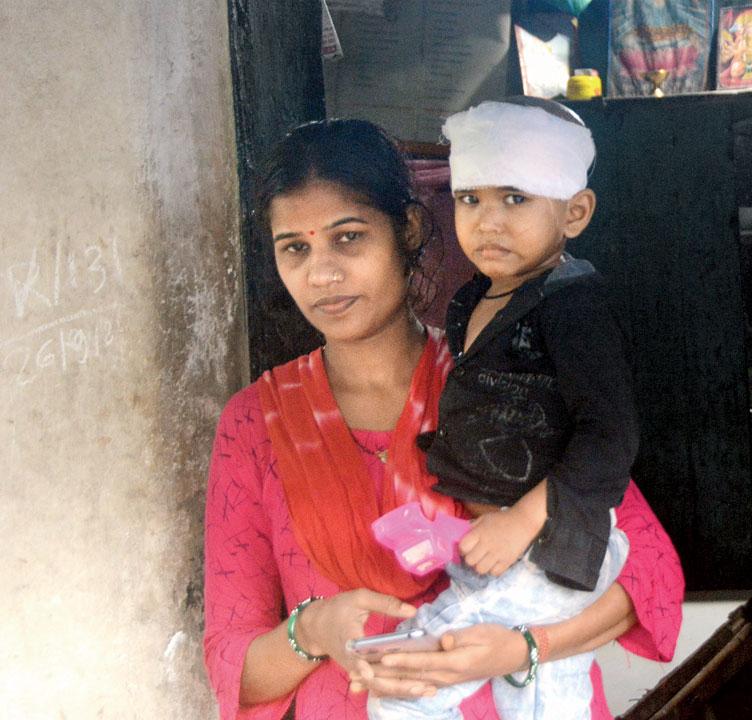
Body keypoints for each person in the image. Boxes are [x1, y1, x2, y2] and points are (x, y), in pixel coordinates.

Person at [202, 118, 685, 720]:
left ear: (406, 229)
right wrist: (314, 630)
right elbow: (234, 665)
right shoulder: (254, 424)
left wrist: (519, 648)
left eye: (348, 238)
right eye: (294, 248)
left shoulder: (500, 375)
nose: (321, 273)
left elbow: (647, 574)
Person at [368, 98, 636, 720]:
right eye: (471, 200)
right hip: (503, 551)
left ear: (575, 212)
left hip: (546, 551)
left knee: (405, 686)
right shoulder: (472, 300)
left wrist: (522, 521)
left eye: (515, 199)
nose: (488, 222)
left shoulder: (574, 307)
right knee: (544, 699)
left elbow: (609, 438)